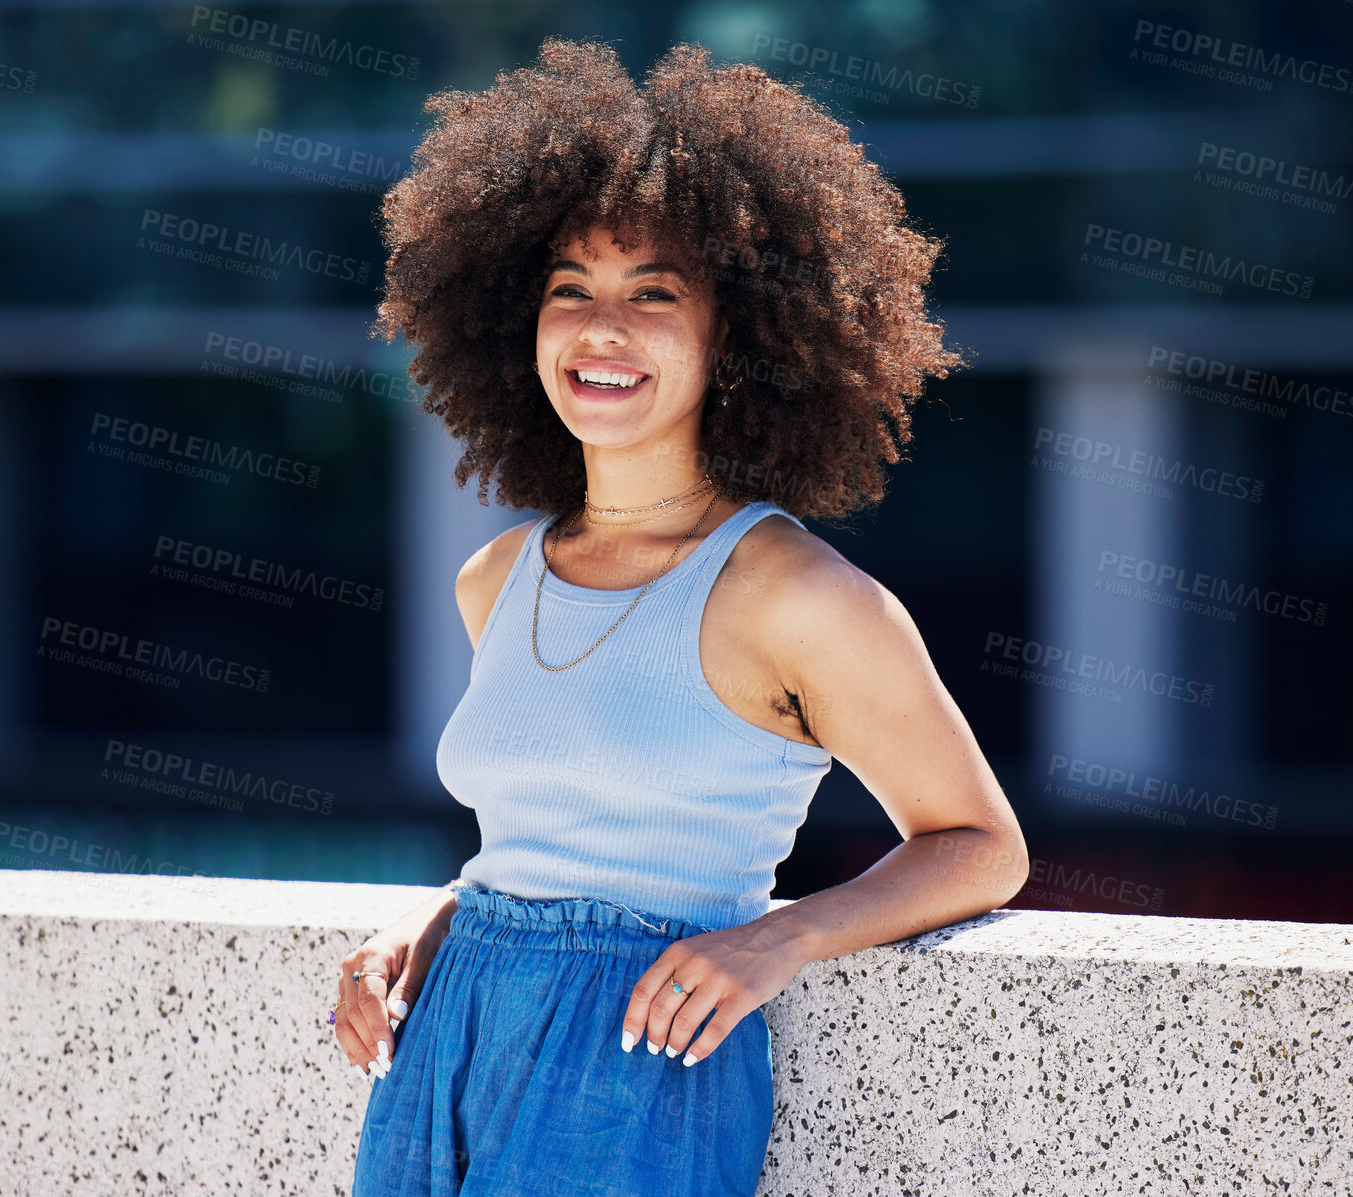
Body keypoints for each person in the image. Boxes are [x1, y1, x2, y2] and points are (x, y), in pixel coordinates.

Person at [334, 35, 1029, 1197]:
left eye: (651, 294)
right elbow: (557, 826)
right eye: (570, 292)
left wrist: (779, 936)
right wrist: (444, 921)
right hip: (443, 1037)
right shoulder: (496, 577)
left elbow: (978, 846)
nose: (599, 330)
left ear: (736, 341)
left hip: (642, 1059)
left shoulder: (795, 593)